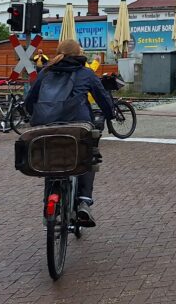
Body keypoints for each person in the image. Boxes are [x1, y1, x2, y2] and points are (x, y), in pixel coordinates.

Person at [24, 39, 115, 227]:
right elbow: (103, 99)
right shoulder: (86, 73)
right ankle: (83, 201)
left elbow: (29, 101)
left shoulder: (45, 73)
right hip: (77, 125)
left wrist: (39, 116)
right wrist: (109, 113)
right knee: (88, 158)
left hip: (46, 125)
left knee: (50, 160)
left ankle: (49, 204)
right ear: (78, 54)